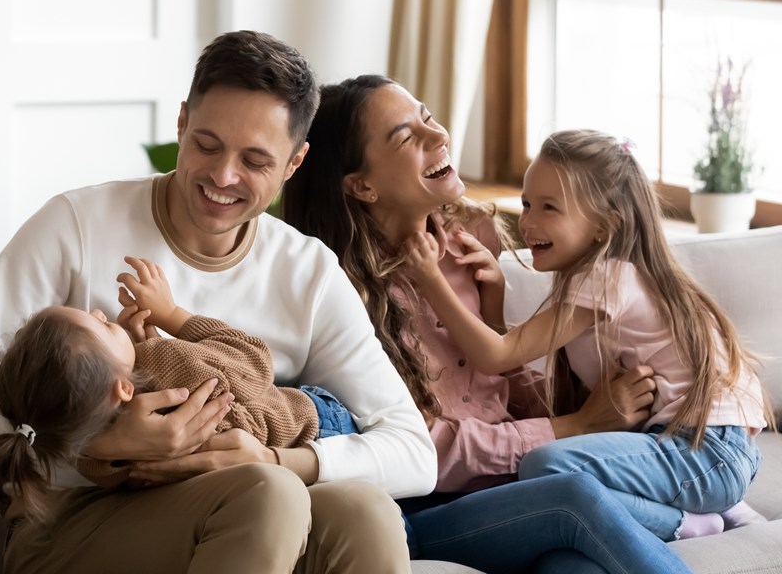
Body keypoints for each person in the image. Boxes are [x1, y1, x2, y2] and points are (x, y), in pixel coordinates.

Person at [0, 31, 435, 574]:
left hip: (243, 500)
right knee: (266, 493)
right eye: (206, 144)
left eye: (255, 160)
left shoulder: (307, 272)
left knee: (363, 509)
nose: (222, 176)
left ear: (294, 163)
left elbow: (412, 452)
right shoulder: (76, 225)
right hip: (74, 516)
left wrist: (275, 457)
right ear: (181, 124)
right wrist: (102, 436)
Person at [283, 75, 692, 573]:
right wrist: (573, 427)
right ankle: (674, 520)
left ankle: (679, 521)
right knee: (572, 497)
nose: (438, 137)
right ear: (362, 185)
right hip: (429, 507)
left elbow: (494, 386)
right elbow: (421, 445)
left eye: (428, 117)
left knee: (572, 567)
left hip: (513, 493)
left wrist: (498, 316)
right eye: (407, 137)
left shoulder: (466, 250)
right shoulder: (339, 295)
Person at [403, 128, 772, 542]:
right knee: (553, 472)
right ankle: (710, 507)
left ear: (603, 226)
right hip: (706, 449)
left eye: (549, 208)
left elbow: (496, 356)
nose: (527, 222)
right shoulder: (609, 276)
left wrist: (430, 278)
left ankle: (685, 522)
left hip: (704, 450)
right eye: (526, 203)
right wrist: (495, 298)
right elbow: (505, 359)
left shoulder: (605, 277)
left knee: (544, 467)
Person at [0, 255, 361, 521]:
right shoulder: (168, 361)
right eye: (102, 326)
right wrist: (172, 319)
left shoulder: (100, 460)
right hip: (317, 422)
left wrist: (143, 346)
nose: (98, 312)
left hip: (280, 470)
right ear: (123, 389)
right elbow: (255, 360)